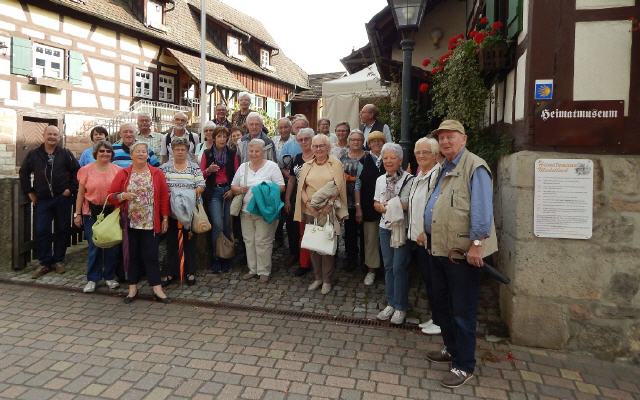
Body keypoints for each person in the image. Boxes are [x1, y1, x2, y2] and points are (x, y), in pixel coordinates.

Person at [423, 120, 498, 388]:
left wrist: (477, 244)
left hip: (461, 252)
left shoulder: (475, 167)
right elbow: (438, 204)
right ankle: (451, 348)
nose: (445, 142)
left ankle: (464, 365)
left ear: (463, 139)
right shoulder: (444, 167)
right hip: (438, 248)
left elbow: (481, 209)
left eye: (450, 137)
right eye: (441, 138)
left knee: (462, 310)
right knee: (440, 304)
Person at [110, 141, 171, 304]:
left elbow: (164, 196)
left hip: (150, 223)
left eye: (144, 151)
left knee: (151, 255)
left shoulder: (156, 173)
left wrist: (165, 216)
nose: (141, 154)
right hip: (130, 223)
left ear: (147, 155)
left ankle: (157, 288)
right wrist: (122, 196)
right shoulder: (124, 173)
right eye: (137, 151)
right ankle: (132, 287)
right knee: (132, 256)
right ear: (131, 155)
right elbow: (111, 196)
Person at [20, 125, 79, 279]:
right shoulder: (34, 154)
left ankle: (58, 260)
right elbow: (24, 172)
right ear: (44, 135)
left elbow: (76, 172)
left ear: (59, 137)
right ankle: (44, 262)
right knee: (41, 230)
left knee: (62, 229)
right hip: (43, 199)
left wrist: (70, 189)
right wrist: (29, 192)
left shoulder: (65, 154)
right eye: (49, 134)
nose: (52, 137)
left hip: (62, 198)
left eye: (55, 134)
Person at [294, 134, 347, 295]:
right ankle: (317, 277)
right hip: (310, 210)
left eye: (321, 146)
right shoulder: (307, 165)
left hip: (328, 211)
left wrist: (327, 205)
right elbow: (301, 187)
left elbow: (339, 187)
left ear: (328, 147)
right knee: (313, 245)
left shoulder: (335, 164)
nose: (318, 149)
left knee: (326, 246)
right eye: (315, 146)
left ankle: (327, 280)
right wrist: (309, 205)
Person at [231, 139, 285, 282]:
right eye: (251, 151)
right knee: (249, 240)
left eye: (257, 151)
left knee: (263, 241)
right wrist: (240, 189)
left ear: (263, 152)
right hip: (246, 210)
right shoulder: (243, 167)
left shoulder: (272, 166)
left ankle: (264, 271)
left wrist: (264, 188)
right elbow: (233, 186)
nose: (254, 154)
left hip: (264, 210)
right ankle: (252, 269)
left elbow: (281, 187)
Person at [74, 141, 121, 293]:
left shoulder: (118, 171)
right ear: (96, 153)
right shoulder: (85, 170)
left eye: (108, 151)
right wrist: (77, 213)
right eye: (101, 151)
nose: (105, 154)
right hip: (91, 213)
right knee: (94, 246)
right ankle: (92, 279)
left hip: (111, 213)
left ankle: (109, 276)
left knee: (111, 245)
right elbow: (81, 193)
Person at [374, 143, 413, 325]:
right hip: (384, 227)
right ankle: (390, 302)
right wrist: (381, 207)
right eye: (385, 158)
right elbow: (375, 202)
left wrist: (388, 206)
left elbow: (409, 204)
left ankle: (401, 306)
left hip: (401, 228)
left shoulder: (410, 180)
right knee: (388, 267)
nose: (388, 161)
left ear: (400, 160)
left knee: (399, 267)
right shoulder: (380, 179)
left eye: (392, 157)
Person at [407, 137, 442, 336]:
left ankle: (440, 321)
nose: (420, 155)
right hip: (418, 238)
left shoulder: (437, 175)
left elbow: (436, 207)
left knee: (436, 282)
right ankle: (436, 317)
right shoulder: (421, 173)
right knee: (429, 280)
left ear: (435, 155)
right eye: (418, 152)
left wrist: (427, 232)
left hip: (429, 238)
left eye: (425, 152)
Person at [160, 137, 206, 286]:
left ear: (187, 151)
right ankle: (171, 272)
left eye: (183, 149)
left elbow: (201, 185)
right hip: (171, 212)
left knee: (190, 242)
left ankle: (190, 271)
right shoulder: (164, 168)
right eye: (177, 149)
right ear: (172, 151)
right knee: (171, 242)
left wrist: (186, 197)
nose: (180, 152)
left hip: (190, 210)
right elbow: (162, 188)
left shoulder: (194, 167)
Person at [201, 126, 239, 273]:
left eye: (225, 136)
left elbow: (236, 175)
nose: (222, 139)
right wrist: (208, 171)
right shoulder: (207, 153)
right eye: (219, 136)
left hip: (228, 191)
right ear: (214, 138)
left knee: (227, 224)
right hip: (214, 192)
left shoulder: (232, 154)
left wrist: (232, 190)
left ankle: (227, 257)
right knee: (217, 224)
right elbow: (201, 175)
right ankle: (216, 257)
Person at [354, 130, 386, 285]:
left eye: (379, 141)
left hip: (387, 207)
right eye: (373, 142)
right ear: (369, 144)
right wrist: (358, 207)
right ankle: (371, 270)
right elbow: (357, 185)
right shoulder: (364, 161)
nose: (376, 144)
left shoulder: (390, 158)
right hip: (368, 206)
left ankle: (387, 269)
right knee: (370, 239)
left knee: (388, 238)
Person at [284, 128, 315, 276]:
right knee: (302, 231)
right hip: (299, 199)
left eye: (306, 139)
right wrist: (287, 198)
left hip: (315, 200)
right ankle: (304, 263)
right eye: (300, 140)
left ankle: (319, 262)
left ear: (312, 139)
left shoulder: (319, 156)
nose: (303, 142)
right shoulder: (297, 157)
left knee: (316, 231)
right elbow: (291, 179)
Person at [340, 129, 365, 271]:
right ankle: (351, 259)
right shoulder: (343, 158)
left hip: (364, 199)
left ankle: (365, 260)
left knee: (364, 233)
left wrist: (352, 178)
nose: (355, 142)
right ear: (348, 142)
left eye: (358, 140)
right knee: (349, 232)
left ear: (363, 142)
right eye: (353, 140)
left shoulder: (368, 158)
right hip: (347, 200)